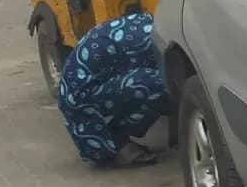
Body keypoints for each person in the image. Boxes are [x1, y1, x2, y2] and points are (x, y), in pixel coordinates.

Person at [57, 12, 169, 167]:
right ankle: (118, 144)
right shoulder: (148, 42)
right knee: (160, 84)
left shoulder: (150, 25)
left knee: (156, 80)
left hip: (80, 86)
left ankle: (116, 137)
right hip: (80, 95)